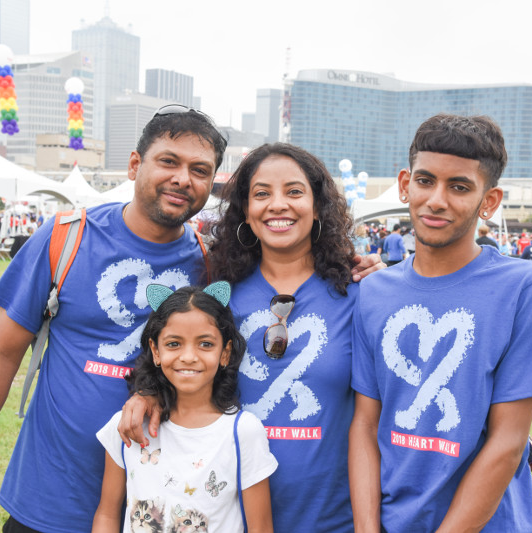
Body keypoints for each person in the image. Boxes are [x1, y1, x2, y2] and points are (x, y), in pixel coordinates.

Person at [0, 105, 229, 533]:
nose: (184, 178)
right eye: (168, 161)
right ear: (134, 164)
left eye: (200, 169)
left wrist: (353, 264)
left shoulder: (211, 264)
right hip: (49, 501)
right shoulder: (66, 236)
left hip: (161, 508)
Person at [121, 142, 366, 532]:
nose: (278, 204)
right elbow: (176, 356)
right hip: (225, 515)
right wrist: (149, 391)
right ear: (246, 213)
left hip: (331, 518)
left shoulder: (358, 294)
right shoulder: (216, 294)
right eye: (262, 194)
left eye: (295, 191)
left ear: (318, 207)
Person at [349, 114, 532, 532]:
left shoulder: (526, 288)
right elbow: (365, 425)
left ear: (490, 200)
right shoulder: (374, 291)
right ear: (406, 184)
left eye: (459, 187)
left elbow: (508, 441)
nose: (437, 199)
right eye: (426, 181)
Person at [93, 283, 277, 533]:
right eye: (174, 344)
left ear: (225, 353)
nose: (189, 356)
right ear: (155, 351)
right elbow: (106, 515)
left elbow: (261, 528)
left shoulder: (242, 431)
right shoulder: (129, 426)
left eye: (205, 344)